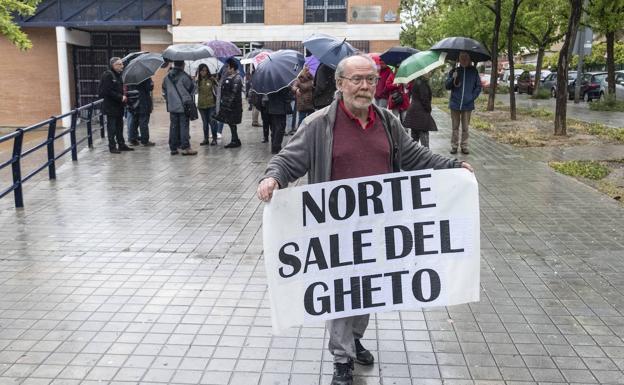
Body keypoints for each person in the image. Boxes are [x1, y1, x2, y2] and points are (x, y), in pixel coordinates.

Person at [256, 54, 473, 385]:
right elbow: (289, 159)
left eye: (370, 80)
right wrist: (273, 178)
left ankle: (355, 339)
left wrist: (452, 167)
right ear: (340, 84)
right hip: (334, 231)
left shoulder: (387, 121)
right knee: (340, 293)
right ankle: (342, 358)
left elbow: (415, 157)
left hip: (376, 228)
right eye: (356, 79)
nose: (364, 86)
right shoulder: (318, 125)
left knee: (366, 291)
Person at [445, 51, 481, 155]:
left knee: (465, 127)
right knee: (455, 127)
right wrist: (453, 78)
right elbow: (447, 86)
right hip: (455, 103)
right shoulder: (454, 71)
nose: (464, 59)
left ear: (469, 59)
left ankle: (464, 146)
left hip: (467, 104)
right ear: (459, 59)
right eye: (462, 57)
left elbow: (478, 86)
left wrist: (472, 97)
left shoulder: (473, 71)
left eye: (466, 57)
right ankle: (454, 146)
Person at [162, 61, 197, 155]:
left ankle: (173, 148)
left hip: (172, 106)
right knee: (184, 126)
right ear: (183, 65)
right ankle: (185, 147)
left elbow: (164, 91)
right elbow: (193, 89)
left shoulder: (167, 77)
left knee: (173, 127)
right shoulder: (184, 76)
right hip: (183, 105)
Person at [98, 57, 133, 153]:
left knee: (119, 126)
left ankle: (121, 144)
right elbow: (106, 91)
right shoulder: (108, 75)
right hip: (110, 107)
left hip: (119, 106)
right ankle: (112, 147)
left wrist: (124, 95)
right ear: (113, 65)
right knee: (112, 127)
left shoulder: (119, 75)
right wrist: (120, 97)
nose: (122, 66)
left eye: (122, 64)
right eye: (120, 64)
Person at [403, 73, 437, 148]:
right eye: (428, 72)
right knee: (424, 140)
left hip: (414, 112)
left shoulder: (415, 82)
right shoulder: (422, 84)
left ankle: (412, 156)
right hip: (421, 114)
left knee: (414, 139)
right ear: (422, 73)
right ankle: (426, 157)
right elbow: (424, 99)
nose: (429, 73)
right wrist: (429, 109)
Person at [216, 58, 243, 148]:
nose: (227, 69)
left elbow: (233, 93)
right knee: (231, 123)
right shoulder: (230, 77)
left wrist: (228, 104)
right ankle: (235, 139)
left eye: (229, 68)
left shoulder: (237, 78)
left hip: (233, 106)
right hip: (230, 105)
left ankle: (235, 140)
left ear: (233, 68)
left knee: (232, 123)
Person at [127, 78, 155, 147]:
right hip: (143, 101)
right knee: (143, 121)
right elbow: (149, 88)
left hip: (134, 101)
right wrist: (152, 84)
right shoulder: (145, 77)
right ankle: (145, 141)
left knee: (134, 121)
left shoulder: (130, 77)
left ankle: (132, 139)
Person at [196, 64, 219, 146]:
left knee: (212, 122)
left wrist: (216, 80)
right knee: (205, 123)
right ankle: (206, 139)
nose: (203, 72)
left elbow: (218, 89)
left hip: (211, 104)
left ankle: (214, 138)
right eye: (202, 70)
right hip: (201, 105)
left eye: (205, 70)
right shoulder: (197, 81)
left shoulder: (211, 79)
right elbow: (194, 91)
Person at [266, 87, 293, 154]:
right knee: (279, 129)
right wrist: (290, 90)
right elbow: (288, 97)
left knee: (274, 129)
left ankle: (274, 147)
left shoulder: (269, 85)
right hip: (280, 110)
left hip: (272, 109)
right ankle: (276, 147)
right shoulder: (283, 86)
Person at [290, 65, 315, 135]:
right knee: (301, 119)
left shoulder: (312, 79)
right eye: (306, 70)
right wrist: (297, 90)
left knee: (312, 119)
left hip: (310, 101)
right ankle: (300, 133)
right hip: (302, 102)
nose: (308, 71)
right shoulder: (299, 79)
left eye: (309, 70)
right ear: (303, 71)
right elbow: (293, 87)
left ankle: (310, 133)